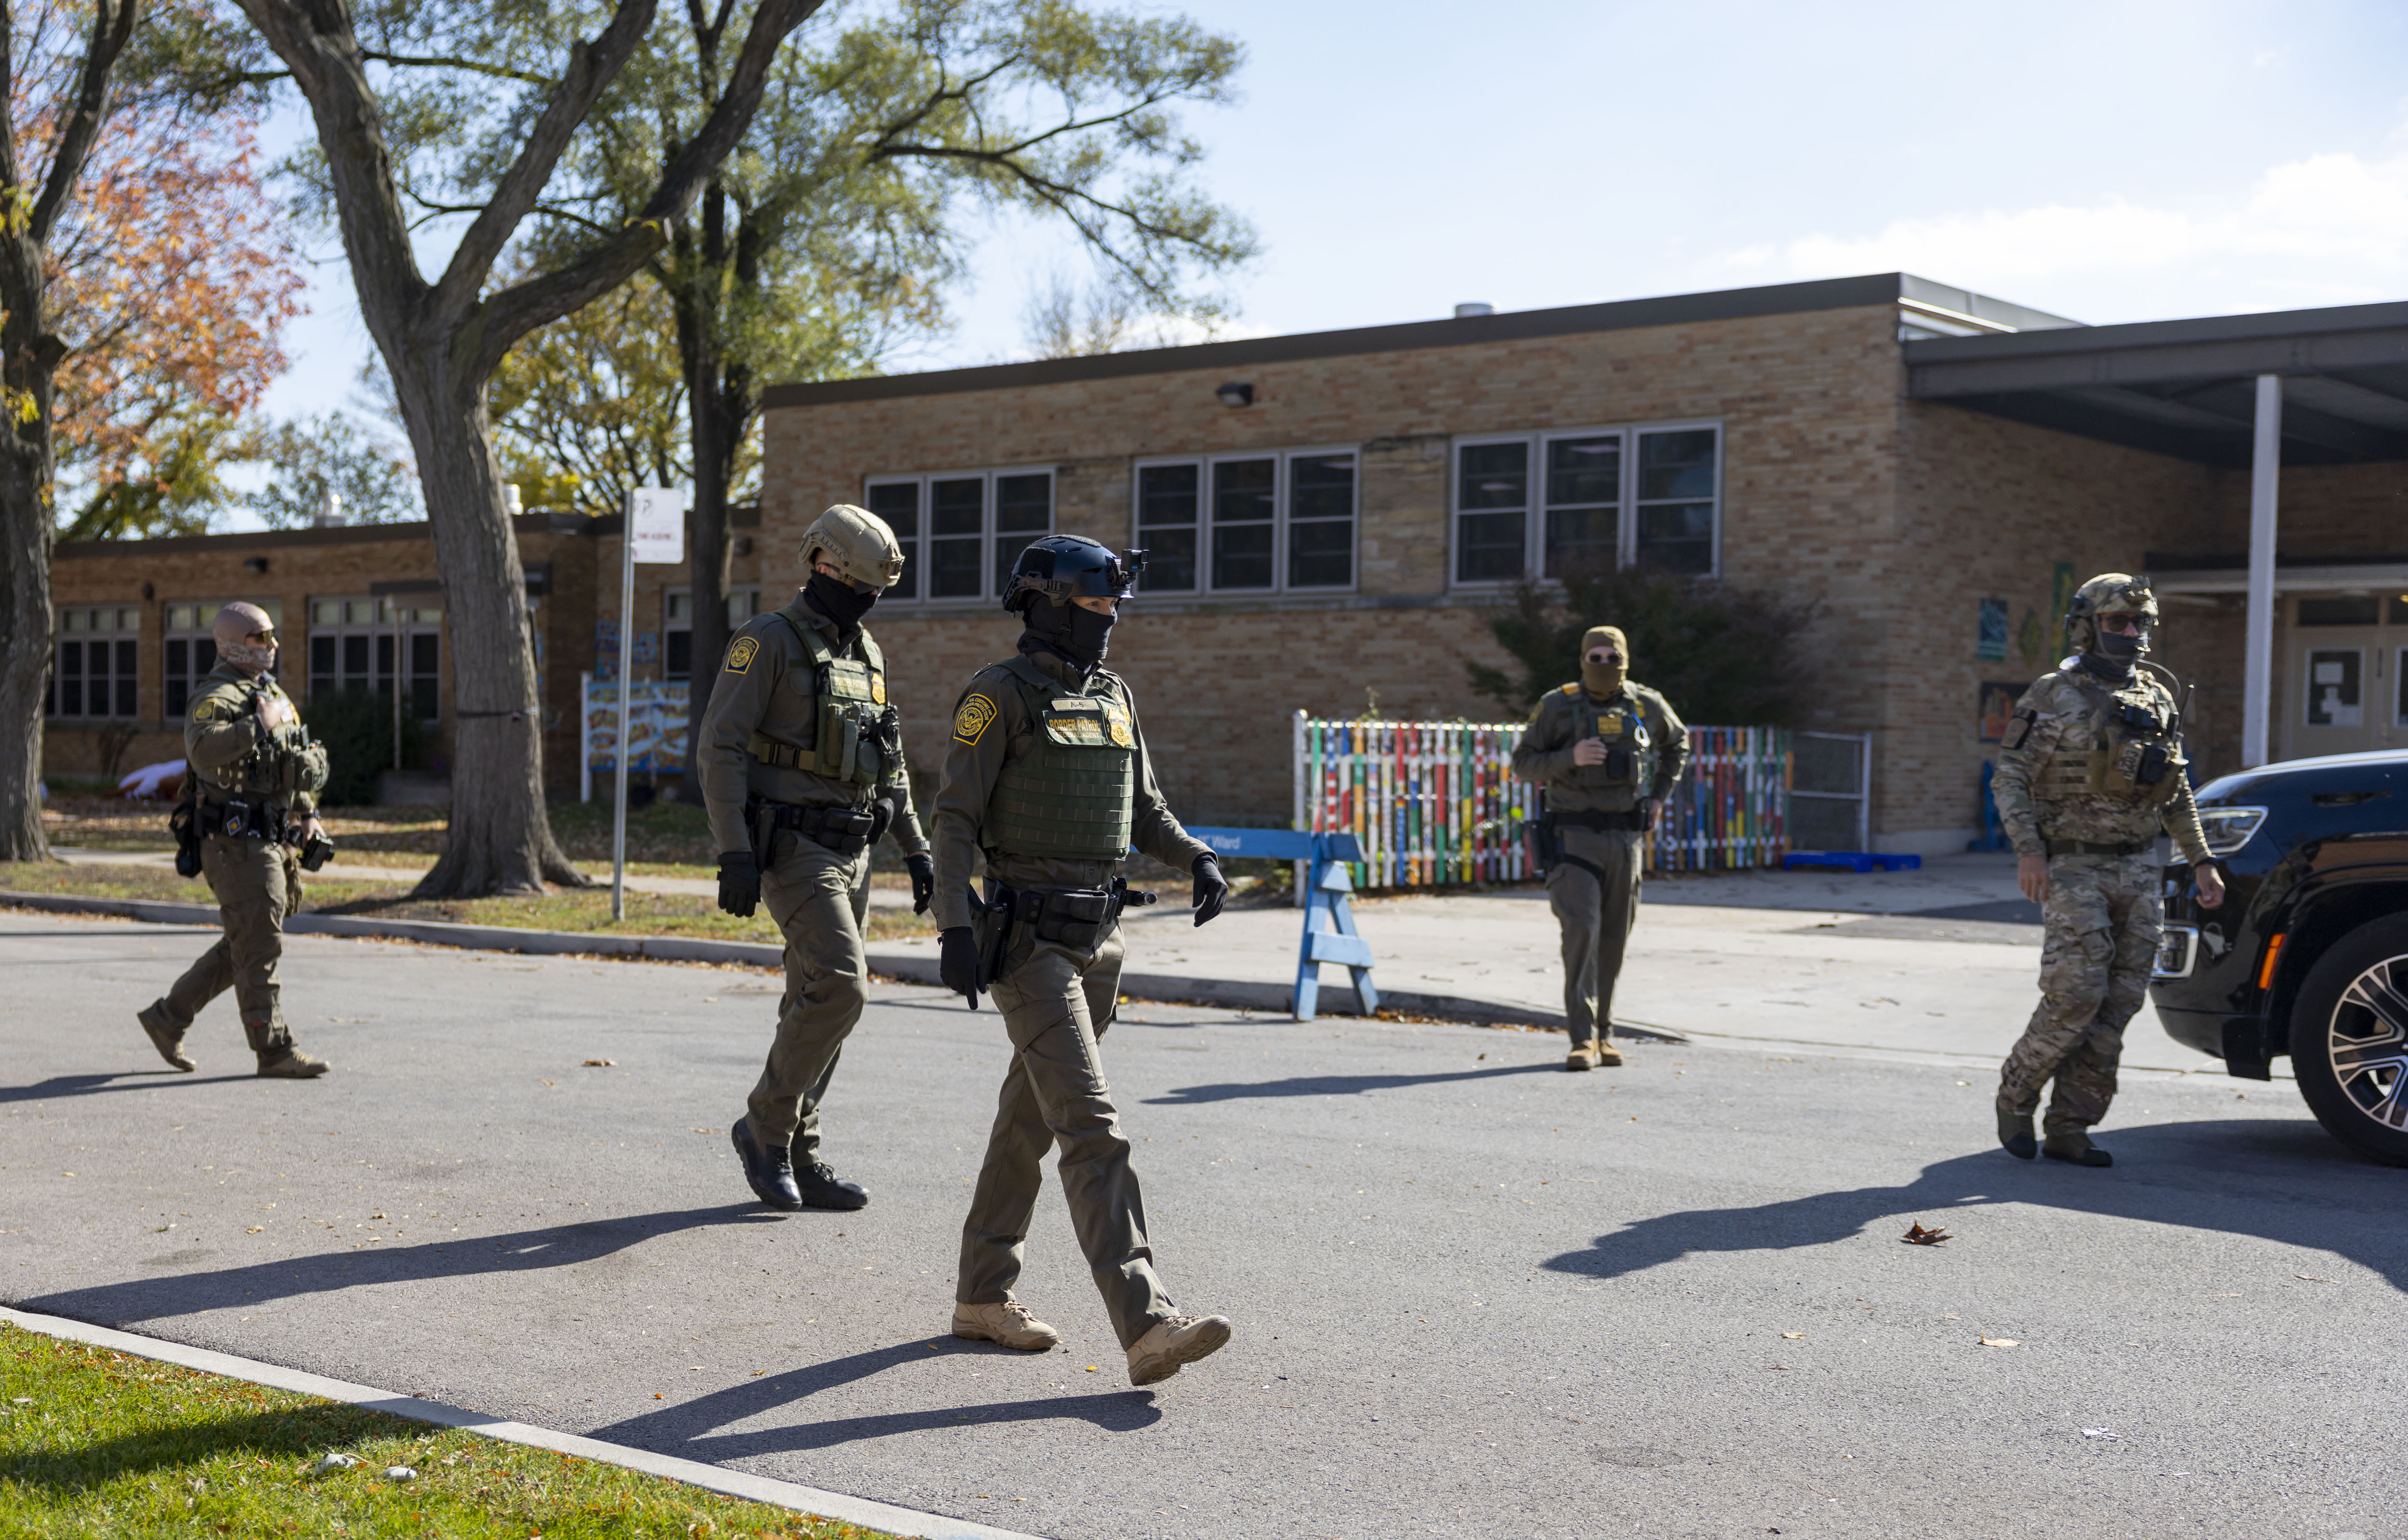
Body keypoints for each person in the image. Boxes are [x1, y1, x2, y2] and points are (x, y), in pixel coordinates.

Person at [929, 534, 1233, 1388]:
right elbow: (954, 817)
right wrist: (954, 924)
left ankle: (982, 1296)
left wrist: (1195, 855)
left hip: (1101, 939)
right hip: (1028, 942)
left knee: (1028, 1119)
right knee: (1092, 1129)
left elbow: (1145, 806)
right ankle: (1149, 1324)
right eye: (1096, 609)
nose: (1108, 624)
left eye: (1113, 611)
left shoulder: (1114, 695)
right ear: (1052, 604)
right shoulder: (999, 695)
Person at [699, 504, 936, 1212]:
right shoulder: (766, 639)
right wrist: (734, 851)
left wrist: (916, 846)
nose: (867, 602)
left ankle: (801, 1149)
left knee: (815, 1001)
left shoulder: (867, 655)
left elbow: (888, 760)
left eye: (877, 594)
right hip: (792, 847)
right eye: (860, 586)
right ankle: (763, 1128)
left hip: (853, 849)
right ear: (823, 566)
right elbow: (720, 747)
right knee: (842, 985)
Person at [1990, 574, 2223, 1167]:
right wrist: (2029, 850)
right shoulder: (2052, 693)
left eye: (2140, 624)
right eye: (2118, 623)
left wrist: (2200, 861)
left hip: (2138, 871)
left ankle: (2071, 1124)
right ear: (2087, 626)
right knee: (2075, 995)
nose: (2132, 634)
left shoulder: (2156, 697)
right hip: (2071, 867)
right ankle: (2016, 1094)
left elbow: (2177, 790)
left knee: (2118, 1003)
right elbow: (2010, 775)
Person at [137, 601, 332, 1078]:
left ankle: (167, 1019)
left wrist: (307, 813)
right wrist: (256, 725)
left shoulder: (271, 693)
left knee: (248, 940)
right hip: (232, 841)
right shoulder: (217, 695)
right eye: (259, 638)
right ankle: (274, 1051)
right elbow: (201, 748)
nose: (271, 645)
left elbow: (296, 756)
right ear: (230, 644)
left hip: (270, 838)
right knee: (259, 943)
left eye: (271, 636)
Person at [1510, 625, 1690, 1071]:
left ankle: (1605, 1033)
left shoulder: (1646, 704)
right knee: (1582, 929)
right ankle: (1580, 1038)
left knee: (1613, 939)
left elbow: (1677, 744)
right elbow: (1522, 764)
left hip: (1625, 840)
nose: (1606, 666)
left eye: (1615, 658)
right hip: (1573, 839)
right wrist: (1569, 757)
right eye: (1597, 658)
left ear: (1626, 660)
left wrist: (1658, 799)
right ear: (1583, 659)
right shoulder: (1557, 705)